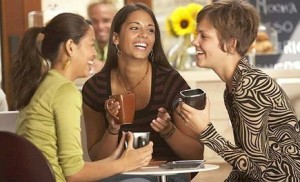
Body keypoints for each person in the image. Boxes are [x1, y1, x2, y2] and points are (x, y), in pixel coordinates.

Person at [10, 12, 153, 182]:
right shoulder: (65, 91)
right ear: (70, 47)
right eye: (91, 45)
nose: (94, 54)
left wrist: (117, 159)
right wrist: (125, 164)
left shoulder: (43, 84)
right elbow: (74, 174)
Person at [177, 0, 300, 181]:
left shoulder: (248, 87)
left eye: (204, 36)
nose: (194, 41)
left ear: (230, 43)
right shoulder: (235, 85)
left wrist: (205, 131)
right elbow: (246, 165)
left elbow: (259, 171)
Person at [82, 3, 204, 182]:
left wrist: (169, 130)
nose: (143, 35)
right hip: (118, 174)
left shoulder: (169, 82)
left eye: (150, 30)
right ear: (115, 37)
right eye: (134, 28)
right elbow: (98, 159)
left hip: (166, 173)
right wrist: (112, 128)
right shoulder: (96, 88)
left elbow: (196, 154)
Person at [87, 0, 117, 72]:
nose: (100, 27)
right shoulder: (82, 46)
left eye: (106, 20)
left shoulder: (126, 46)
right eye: (94, 21)